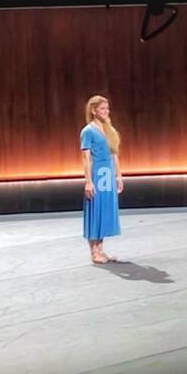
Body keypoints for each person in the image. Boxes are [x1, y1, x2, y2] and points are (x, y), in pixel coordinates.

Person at [80, 94, 124, 264]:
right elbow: (85, 157)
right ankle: (93, 252)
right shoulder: (87, 131)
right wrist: (88, 181)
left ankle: (101, 249)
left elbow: (114, 154)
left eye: (107, 108)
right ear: (93, 111)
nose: (106, 111)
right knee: (95, 209)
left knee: (105, 209)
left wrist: (119, 175)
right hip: (97, 172)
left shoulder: (109, 129)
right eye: (102, 109)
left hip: (108, 172)